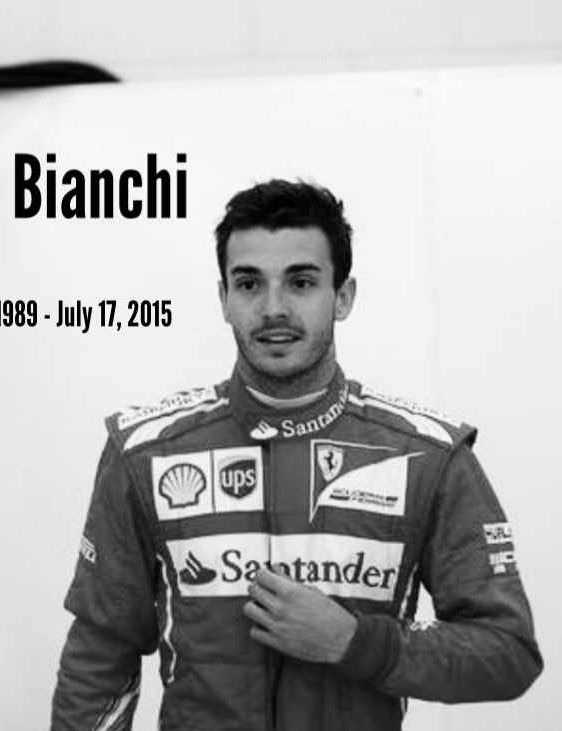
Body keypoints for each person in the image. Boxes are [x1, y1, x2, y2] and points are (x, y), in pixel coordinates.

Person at [50, 180, 543, 731]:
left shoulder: (427, 456)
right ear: (224, 299)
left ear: (343, 296)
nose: (273, 308)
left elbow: (507, 652)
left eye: (301, 282)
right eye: (249, 284)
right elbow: (99, 656)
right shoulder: (144, 452)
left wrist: (356, 642)